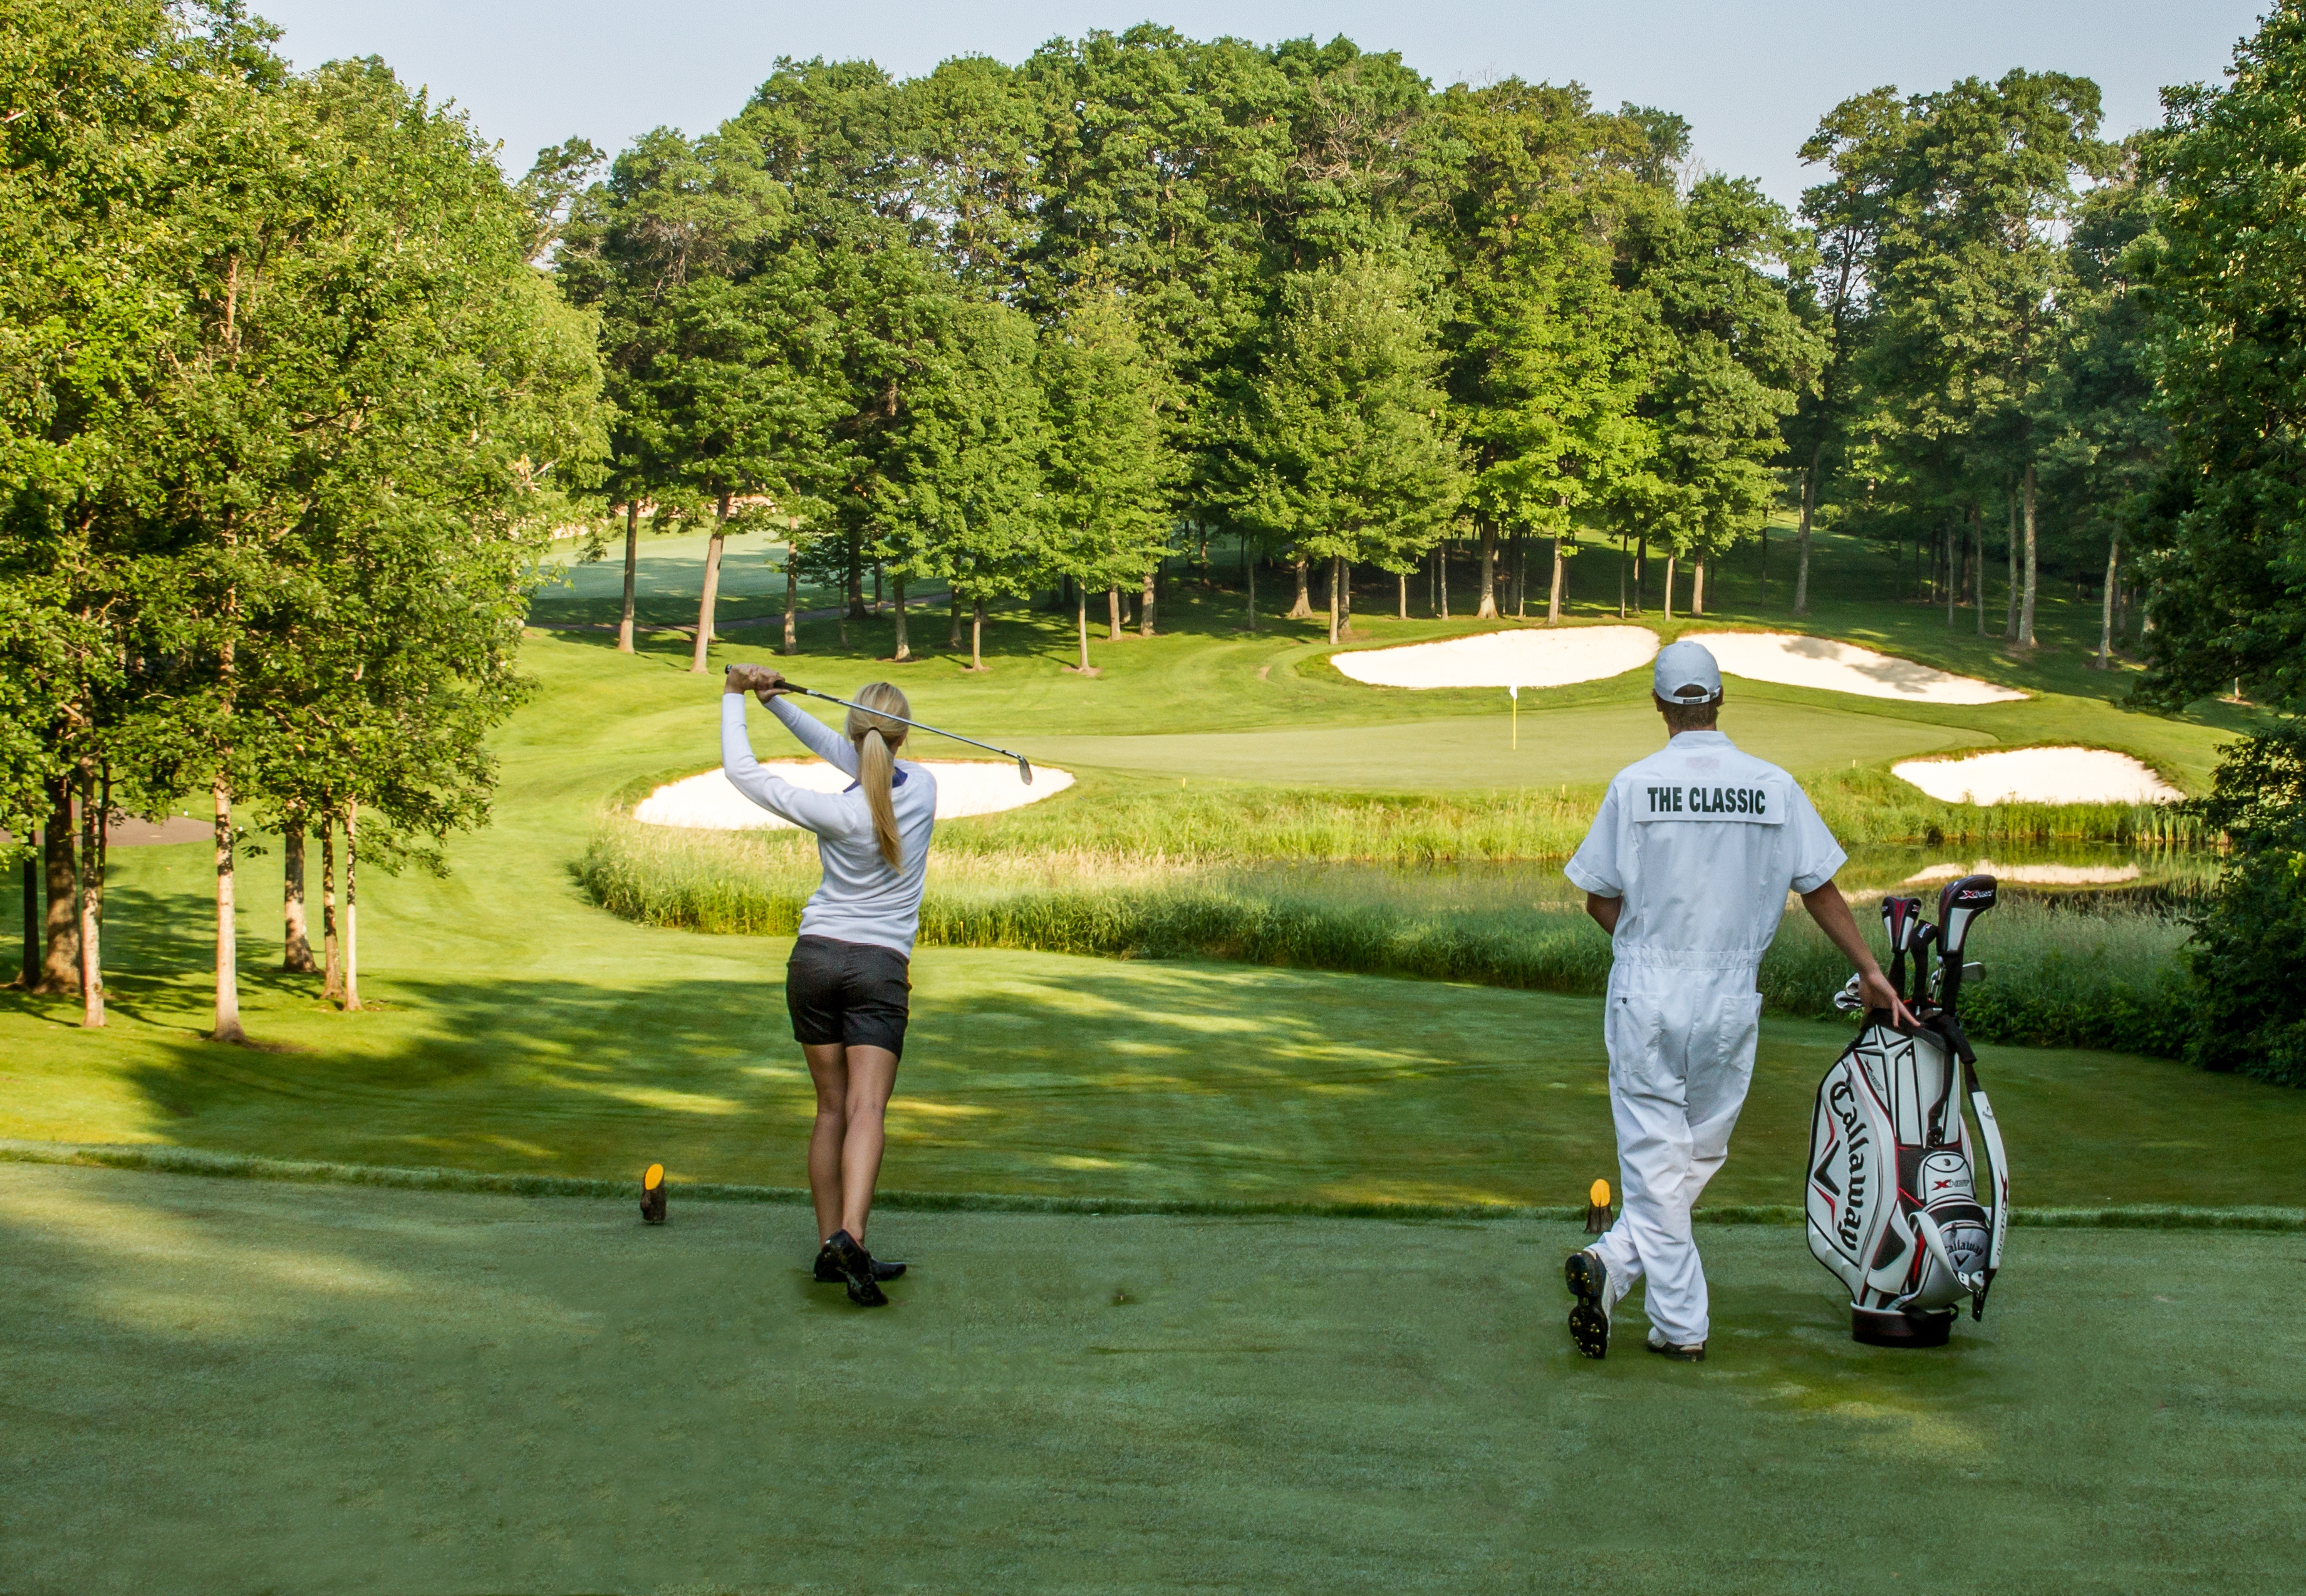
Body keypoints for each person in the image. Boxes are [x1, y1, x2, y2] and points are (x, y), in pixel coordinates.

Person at [1561, 640, 1911, 1361]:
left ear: (1659, 705)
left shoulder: (1634, 785)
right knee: (1698, 1149)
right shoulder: (1773, 786)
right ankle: (1632, 1278)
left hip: (1648, 986)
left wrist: (1645, 946)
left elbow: (1600, 898)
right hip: (1730, 992)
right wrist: (1870, 969)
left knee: (1660, 1155)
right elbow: (1818, 886)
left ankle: (1665, 1308)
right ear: (1720, 699)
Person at [722, 663, 935, 1307]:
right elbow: (862, 753)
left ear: (855, 728)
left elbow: (746, 774)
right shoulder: (923, 787)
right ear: (901, 735)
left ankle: (830, 1247)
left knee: (831, 1109)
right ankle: (852, 1237)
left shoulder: (833, 811)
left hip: (814, 961)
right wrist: (775, 701)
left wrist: (741, 699)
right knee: (867, 1110)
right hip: (876, 968)